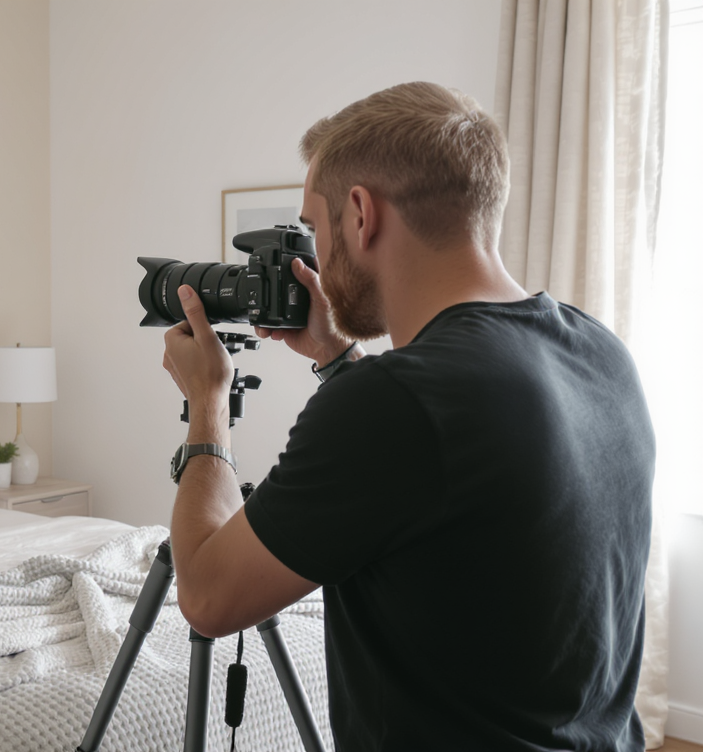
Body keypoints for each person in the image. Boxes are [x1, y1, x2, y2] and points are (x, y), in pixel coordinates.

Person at [161, 82, 653, 751]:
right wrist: (336, 356)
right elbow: (443, 462)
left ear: (360, 214)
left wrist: (207, 405)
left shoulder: (396, 402)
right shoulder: (600, 351)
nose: (316, 256)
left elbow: (208, 599)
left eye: (314, 226)